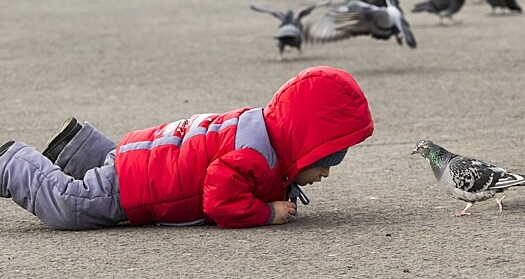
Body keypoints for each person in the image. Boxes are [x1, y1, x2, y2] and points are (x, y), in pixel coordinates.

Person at [0, 66, 374, 230]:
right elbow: (219, 200)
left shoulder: (261, 130)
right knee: (72, 207)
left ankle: (77, 148)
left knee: (117, 169)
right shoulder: (254, 156)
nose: (324, 174)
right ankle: (10, 164)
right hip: (139, 185)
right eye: (323, 163)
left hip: (148, 159)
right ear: (303, 146)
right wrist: (264, 213)